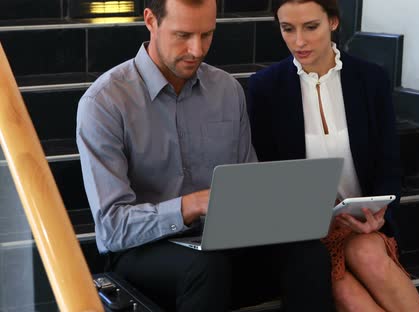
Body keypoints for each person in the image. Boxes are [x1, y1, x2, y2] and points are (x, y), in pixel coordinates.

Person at [76, 0, 333, 311]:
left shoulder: (227, 90)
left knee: (309, 253)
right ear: (151, 21)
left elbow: (248, 189)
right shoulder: (105, 102)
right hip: (142, 252)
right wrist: (191, 205)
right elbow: (113, 228)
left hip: (220, 247)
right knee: (205, 267)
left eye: (207, 34)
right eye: (183, 35)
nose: (197, 50)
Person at [247, 0, 419, 311]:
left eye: (311, 27)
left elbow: (389, 163)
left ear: (332, 22)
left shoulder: (371, 80)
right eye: (287, 29)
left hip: (362, 222)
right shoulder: (265, 88)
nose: (299, 41)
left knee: (369, 255)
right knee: (346, 295)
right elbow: (267, 176)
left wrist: (380, 214)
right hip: (304, 233)